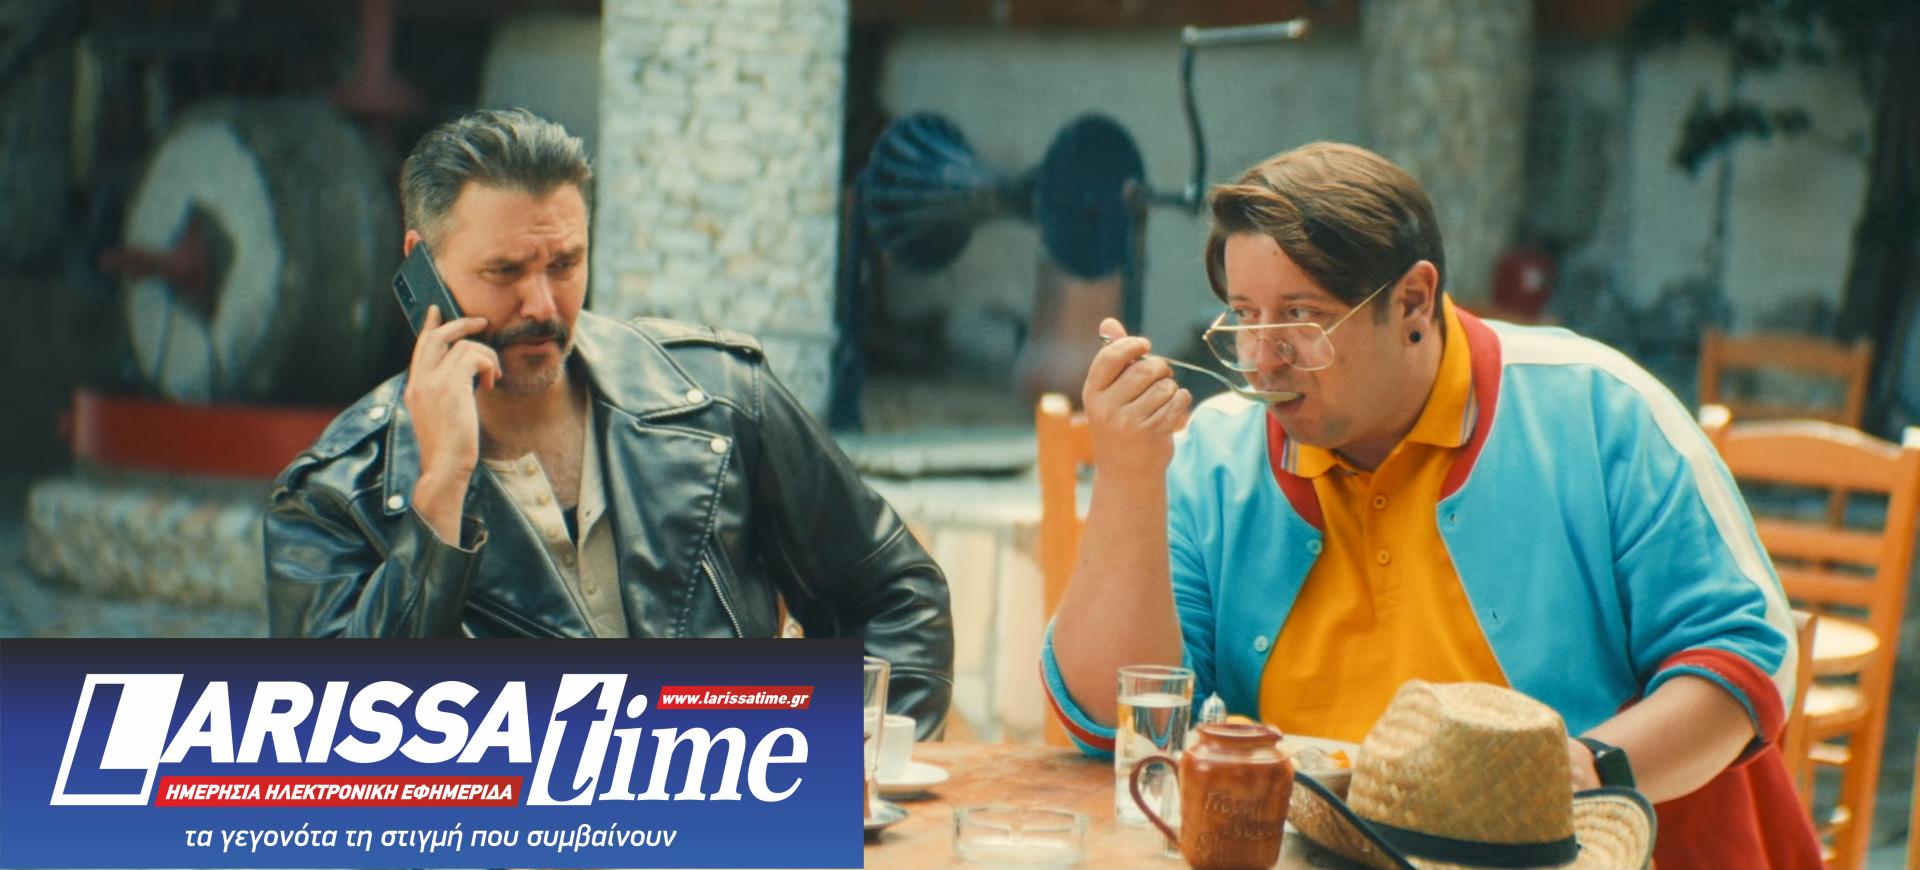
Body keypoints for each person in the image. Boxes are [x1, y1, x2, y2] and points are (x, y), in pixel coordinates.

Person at [1043, 142, 1820, 867]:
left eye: (1301, 318)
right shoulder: (1218, 457)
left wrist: (1587, 771)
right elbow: (1112, 722)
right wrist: (1130, 477)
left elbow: (1740, 659)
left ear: (1414, 300)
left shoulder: (1599, 410)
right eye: (1244, 317)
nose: (1262, 361)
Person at [263, 109, 953, 733]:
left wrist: (839, 771)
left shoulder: (718, 398)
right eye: (505, 271)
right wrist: (440, 493)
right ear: (422, 263)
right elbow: (334, 748)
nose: (542, 305)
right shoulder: (334, 496)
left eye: (565, 263)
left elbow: (898, 599)